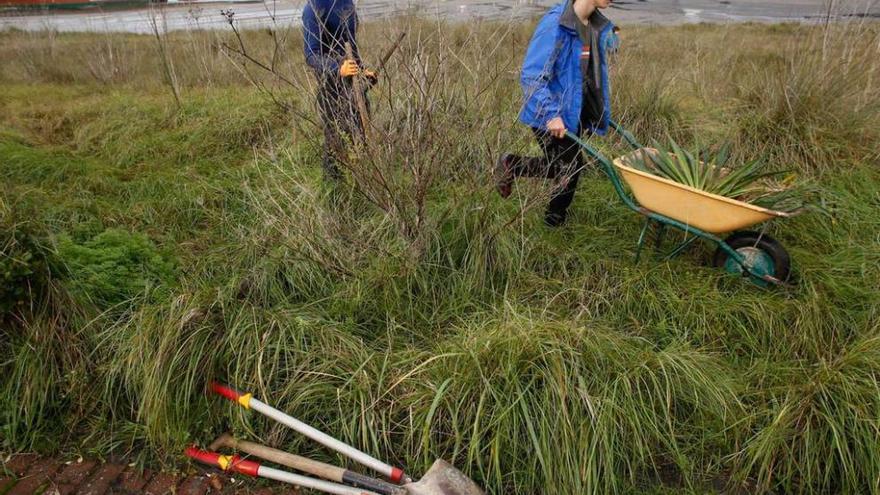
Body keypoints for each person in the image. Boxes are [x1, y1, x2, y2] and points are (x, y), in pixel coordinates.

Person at [495, 0, 616, 226]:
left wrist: (594, 110)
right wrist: (551, 115)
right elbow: (532, 76)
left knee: (562, 166)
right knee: (570, 169)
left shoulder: (594, 25)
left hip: (573, 112)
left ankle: (512, 164)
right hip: (550, 113)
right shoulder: (556, 25)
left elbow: (586, 76)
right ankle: (554, 223)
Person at [302, 0, 377, 181]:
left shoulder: (348, 4)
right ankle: (333, 189)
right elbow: (311, 55)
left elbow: (350, 45)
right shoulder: (313, 8)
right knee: (336, 138)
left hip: (353, 81)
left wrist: (361, 71)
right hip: (330, 85)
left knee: (360, 132)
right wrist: (338, 68)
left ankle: (363, 181)